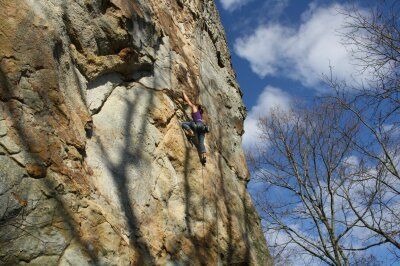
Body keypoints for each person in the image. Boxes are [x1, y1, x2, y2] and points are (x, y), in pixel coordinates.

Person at [181, 91, 207, 164]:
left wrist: (183, 93)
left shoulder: (194, 108)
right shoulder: (200, 115)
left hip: (195, 125)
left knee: (182, 124)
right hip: (202, 128)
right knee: (201, 143)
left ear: (197, 107)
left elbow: (188, 101)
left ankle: (190, 131)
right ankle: (203, 156)